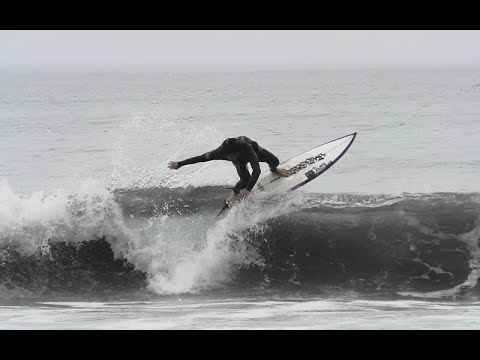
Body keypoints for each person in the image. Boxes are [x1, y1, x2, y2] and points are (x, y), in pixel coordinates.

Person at [168, 136, 290, 203]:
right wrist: (180, 164)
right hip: (240, 160)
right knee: (244, 179)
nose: (229, 158)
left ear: (237, 152)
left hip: (253, 150)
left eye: (231, 156)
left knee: (275, 161)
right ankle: (234, 194)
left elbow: (256, 170)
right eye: (227, 156)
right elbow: (201, 158)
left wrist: (248, 190)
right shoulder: (220, 152)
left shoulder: (247, 148)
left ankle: (274, 170)